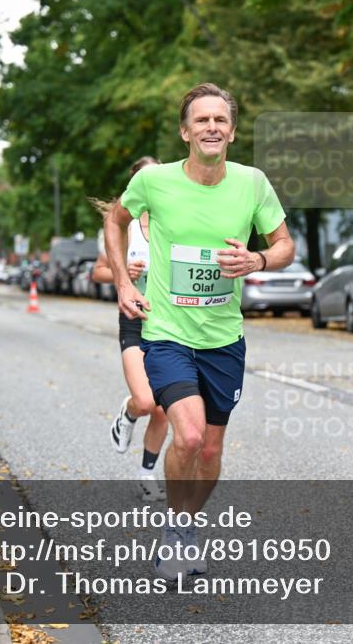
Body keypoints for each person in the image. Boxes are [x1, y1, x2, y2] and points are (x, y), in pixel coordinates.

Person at [105, 83, 294, 580]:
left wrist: (257, 258)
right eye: (202, 120)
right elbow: (115, 220)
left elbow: (284, 246)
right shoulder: (155, 182)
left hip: (224, 339)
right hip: (167, 332)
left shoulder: (252, 183)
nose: (212, 126)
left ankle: (187, 526)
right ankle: (175, 531)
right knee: (187, 436)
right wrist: (124, 282)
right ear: (184, 131)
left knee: (210, 450)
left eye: (220, 120)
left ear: (231, 131)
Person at [90, 157, 169, 502]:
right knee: (146, 400)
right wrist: (124, 275)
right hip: (135, 318)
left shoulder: (174, 219)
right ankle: (129, 411)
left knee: (166, 406)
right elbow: (98, 273)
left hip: (171, 322)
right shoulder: (123, 226)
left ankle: (146, 473)